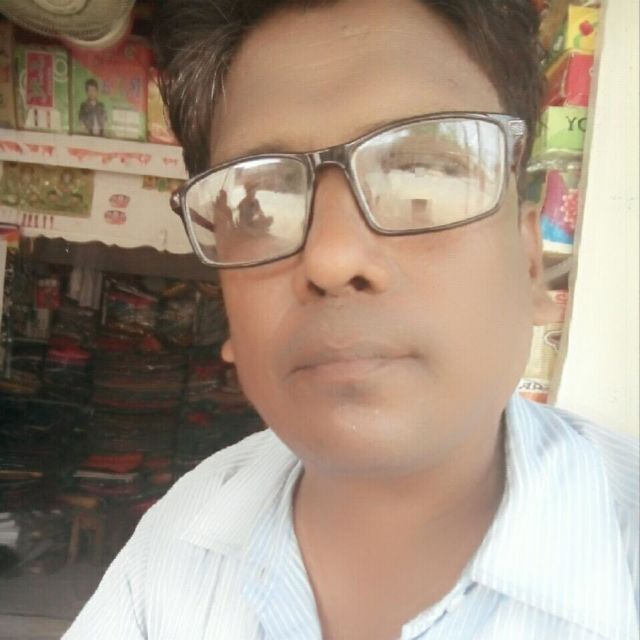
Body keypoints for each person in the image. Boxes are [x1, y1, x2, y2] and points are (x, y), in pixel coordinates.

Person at [64, 1, 639, 638]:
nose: (332, 257)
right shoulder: (183, 536)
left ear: (530, 264)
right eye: (259, 203)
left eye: (423, 178)